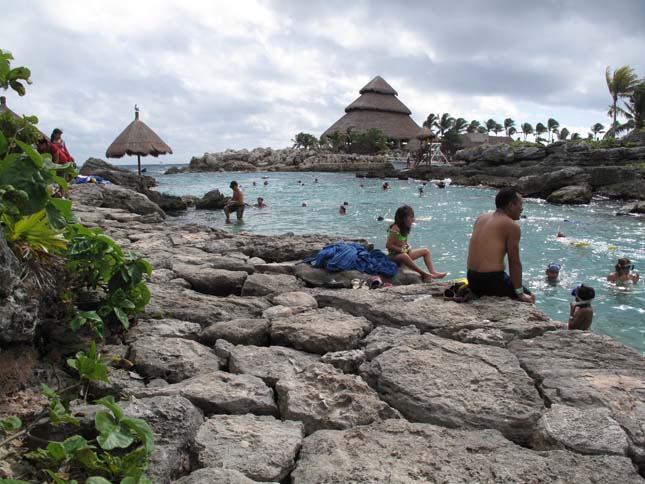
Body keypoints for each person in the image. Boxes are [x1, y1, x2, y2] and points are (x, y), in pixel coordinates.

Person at [467, 188, 535, 303]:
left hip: (472, 279)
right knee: (530, 297)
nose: (522, 208)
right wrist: (520, 292)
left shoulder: (481, 218)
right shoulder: (511, 226)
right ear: (510, 205)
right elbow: (514, 261)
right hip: (491, 281)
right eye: (520, 204)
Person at [386, 205, 447, 281]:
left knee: (426, 251)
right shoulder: (395, 228)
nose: (413, 220)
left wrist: (408, 246)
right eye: (411, 217)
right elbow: (388, 245)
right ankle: (423, 274)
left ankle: (433, 272)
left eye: (413, 217)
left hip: (404, 253)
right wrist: (400, 250)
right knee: (404, 256)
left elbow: (404, 242)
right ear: (403, 218)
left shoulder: (404, 228)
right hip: (394, 256)